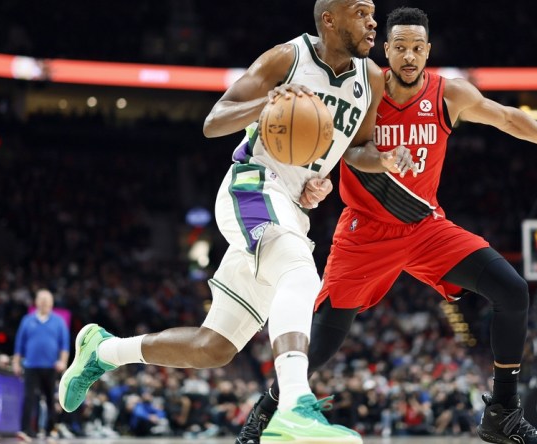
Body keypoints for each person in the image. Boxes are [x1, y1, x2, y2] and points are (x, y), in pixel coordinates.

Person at [236, 6, 537, 444]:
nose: (409, 56)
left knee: (512, 291)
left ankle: (503, 415)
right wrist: (357, 165)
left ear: (428, 50)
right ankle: (261, 421)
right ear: (387, 50)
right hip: (366, 231)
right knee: (320, 344)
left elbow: (509, 118)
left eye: (417, 48)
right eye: (400, 48)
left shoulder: (449, 94)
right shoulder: (366, 90)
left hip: (425, 226)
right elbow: (347, 150)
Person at [57, 1, 415, 443]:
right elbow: (213, 122)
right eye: (361, 12)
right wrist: (267, 103)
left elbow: (356, 148)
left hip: (292, 206)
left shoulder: (371, 79)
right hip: (252, 185)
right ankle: (294, 408)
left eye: (373, 12)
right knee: (300, 272)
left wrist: (379, 160)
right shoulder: (287, 58)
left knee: (215, 347)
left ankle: (103, 350)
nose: (373, 22)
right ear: (330, 18)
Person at [13, 289, 70, 442]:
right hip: (31, 365)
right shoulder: (27, 320)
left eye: (47, 299)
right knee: (29, 398)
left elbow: (64, 345)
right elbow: (19, 344)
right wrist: (16, 363)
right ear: (36, 302)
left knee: (51, 399)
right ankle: (26, 430)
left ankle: (52, 429)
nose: (44, 302)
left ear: (52, 302)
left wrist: (63, 362)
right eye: (41, 299)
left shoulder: (59, 321)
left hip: (51, 367)